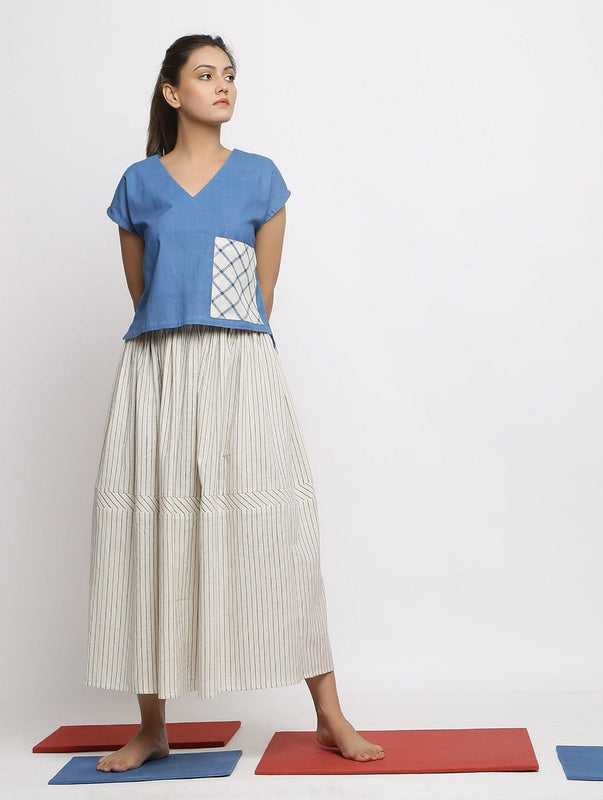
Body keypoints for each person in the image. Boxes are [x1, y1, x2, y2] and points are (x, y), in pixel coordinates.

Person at [87, 33, 385, 772]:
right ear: (172, 93)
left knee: (277, 527)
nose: (223, 85)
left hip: (240, 365)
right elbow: (144, 294)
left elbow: (263, 297)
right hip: (159, 369)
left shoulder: (261, 178)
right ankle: (152, 725)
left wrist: (223, 348)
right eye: (205, 74)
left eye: (230, 75)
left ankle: (328, 713)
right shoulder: (140, 184)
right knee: (152, 533)